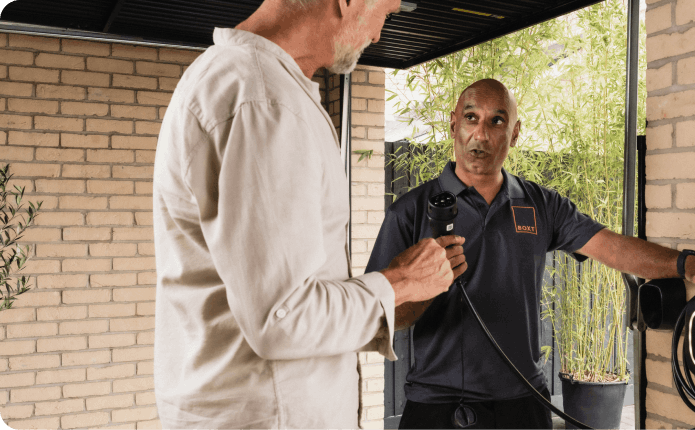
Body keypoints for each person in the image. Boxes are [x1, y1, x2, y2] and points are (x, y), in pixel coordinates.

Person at [365, 78, 695, 429]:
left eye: (496, 121)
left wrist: (684, 264)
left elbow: (612, 247)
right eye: (471, 118)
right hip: (438, 405)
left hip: (524, 402)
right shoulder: (412, 210)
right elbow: (382, 315)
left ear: (515, 133)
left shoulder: (540, 204)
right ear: (454, 123)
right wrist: (428, 284)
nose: (481, 134)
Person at [151, 0, 467, 428]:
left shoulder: (239, 81)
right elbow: (282, 318)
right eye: (385, 13)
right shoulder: (264, 102)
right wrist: (401, 282)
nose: (377, 34)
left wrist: (397, 290)